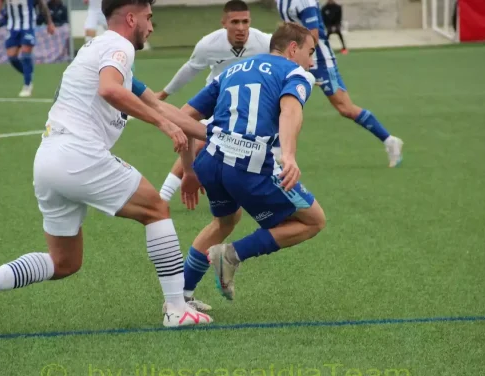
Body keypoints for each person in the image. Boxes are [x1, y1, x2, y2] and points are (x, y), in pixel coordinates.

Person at [0, 0, 213, 340]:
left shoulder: (102, 51)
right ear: (131, 17)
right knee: (157, 208)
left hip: (48, 159)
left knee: (64, 263)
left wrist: (215, 135)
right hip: (78, 153)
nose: (151, 26)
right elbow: (110, 89)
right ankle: (177, 309)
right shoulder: (118, 46)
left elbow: (159, 104)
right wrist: (163, 125)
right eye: (149, 18)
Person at [175, 21, 327, 305]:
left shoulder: (232, 70)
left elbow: (183, 117)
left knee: (225, 221)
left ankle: (180, 298)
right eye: (310, 51)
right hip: (247, 165)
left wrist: (189, 170)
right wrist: (290, 155)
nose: (311, 60)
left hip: (210, 161)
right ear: (293, 49)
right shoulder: (295, 72)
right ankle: (232, 255)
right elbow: (290, 110)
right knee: (314, 220)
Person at [156, 0, 272, 203]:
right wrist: (164, 94)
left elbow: (286, 54)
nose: (241, 28)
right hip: (215, 99)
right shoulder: (209, 44)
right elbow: (190, 69)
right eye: (235, 22)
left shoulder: (263, 42)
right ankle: (162, 198)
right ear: (224, 23)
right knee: (198, 141)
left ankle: (250, 193)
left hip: (247, 104)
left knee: (255, 148)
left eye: (245, 22)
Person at [276, 0, 404, 167]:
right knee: (280, 101)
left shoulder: (304, 2)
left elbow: (312, 37)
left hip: (320, 61)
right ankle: (276, 154)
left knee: (345, 108)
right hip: (295, 59)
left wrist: (299, 64)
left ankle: (390, 141)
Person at [0, 0, 56, 97]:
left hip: (28, 25)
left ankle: (27, 85)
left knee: (25, 53)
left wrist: (49, 23)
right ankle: (28, 74)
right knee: (12, 57)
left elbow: (42, 5)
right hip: (13, 26)